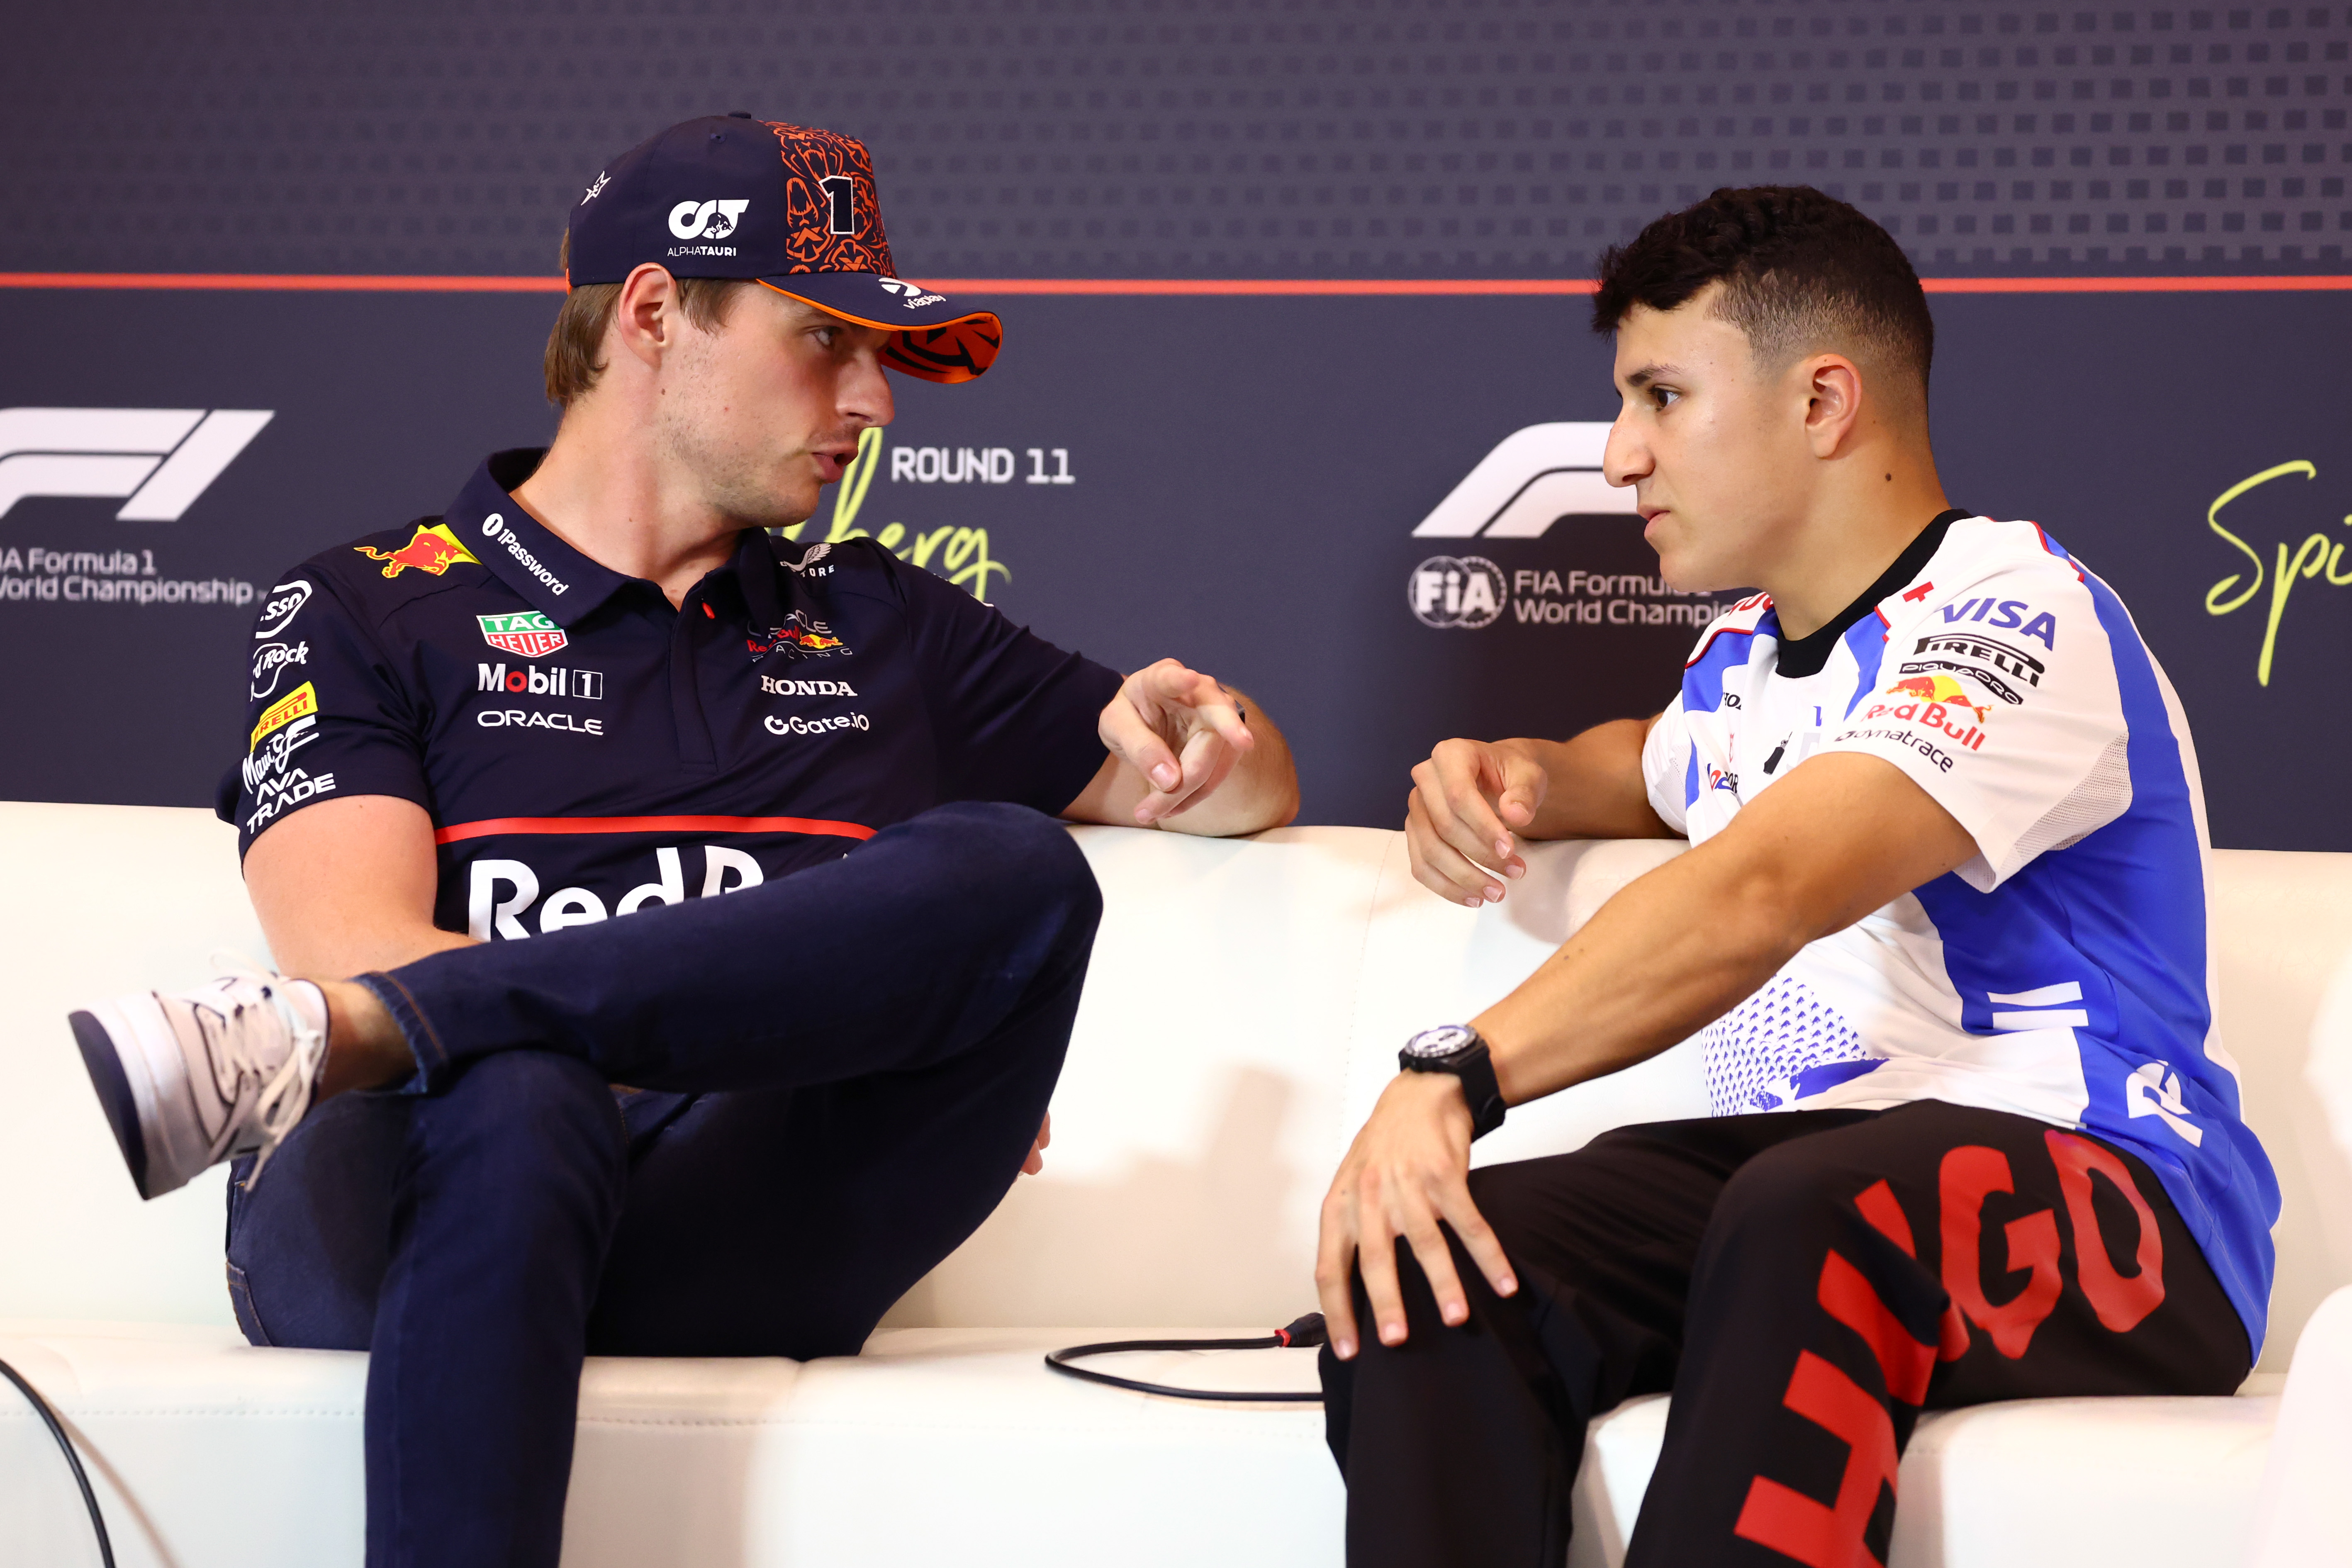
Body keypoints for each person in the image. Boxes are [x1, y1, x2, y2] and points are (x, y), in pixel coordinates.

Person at [66, 115, 1297, 1568]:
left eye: (881, 355)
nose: (877, 404)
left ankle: (317, 1045)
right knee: (521, 1092)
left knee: (1022, 869)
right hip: (414, 1208)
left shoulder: (882, 617)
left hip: (745, 1221)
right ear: (653, 314)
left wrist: (1206, 728)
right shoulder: (370, 605)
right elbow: (357, 956)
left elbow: (1242, 788)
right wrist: (811, 1019)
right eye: (824, 343)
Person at [1312, 186, 2277, 1567]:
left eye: (1659, 395)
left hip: (2128, 1206)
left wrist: (1457, 1072)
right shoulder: (1750, 663)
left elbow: (1766, 886)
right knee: (1439, 1255)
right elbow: (1643, 763)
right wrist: (1504, 767)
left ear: (1825, 401)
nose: (1620, 454)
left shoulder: (2019, 610)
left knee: (1808, 1204)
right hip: (1834, 1182)